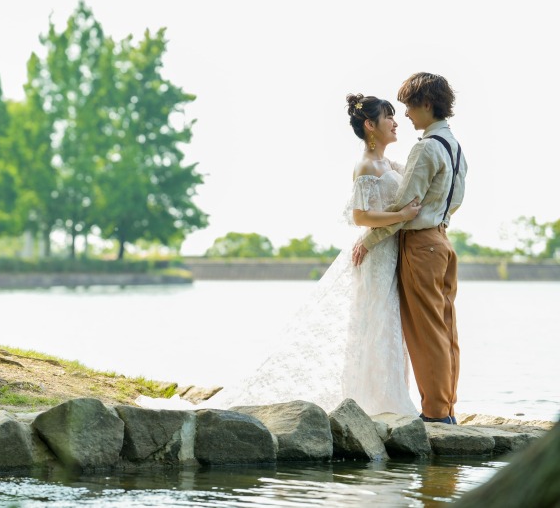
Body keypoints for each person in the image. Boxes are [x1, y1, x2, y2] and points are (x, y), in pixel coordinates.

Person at [137, 93, 420, 416]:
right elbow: (360, 216)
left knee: (387, 323)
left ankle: (386, 397)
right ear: (371, 125)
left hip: (389, 253)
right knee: (375, 322)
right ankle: (373, 402)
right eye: (388, 117)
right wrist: (403, 216)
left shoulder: (387, 163)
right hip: (375, 256)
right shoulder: (366, 165)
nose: (396, 123)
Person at [352, 72, 467, 425]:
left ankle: (434, 414)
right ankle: (446, 408)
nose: (405, 115)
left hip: (420, 245)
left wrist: (367, 240)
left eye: (409, 106)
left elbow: (405, 205)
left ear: (427, 105)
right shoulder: (454, 147)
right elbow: (455, 199)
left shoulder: (425, 147)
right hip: (443, 241)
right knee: (446, 329)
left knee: (426, 332)